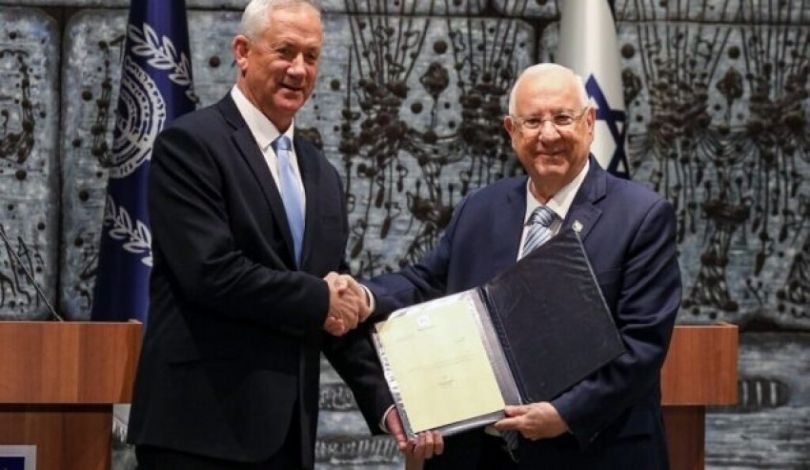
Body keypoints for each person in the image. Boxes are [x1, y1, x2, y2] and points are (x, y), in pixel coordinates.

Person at [358, 63, 682, 469]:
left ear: (589, 123)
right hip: (480, 456)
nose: (548, 134)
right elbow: (424, 283)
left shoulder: (641, 216)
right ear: (511, 131)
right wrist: (362, 296)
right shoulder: (481, 208)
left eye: (562, 118)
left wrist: (565, 413)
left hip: (594, 453)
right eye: (532, 121)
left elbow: (643, 345)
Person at [126, 0, 394, 468]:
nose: (299, 69)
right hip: (198, 435)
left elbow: (333, 304)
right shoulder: (190, 145)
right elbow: (212, 272)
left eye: (311, 56)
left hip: (289, 440)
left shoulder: (322, 174)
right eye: (285, 51)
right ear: (243, 51)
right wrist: (323, 298)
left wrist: (389, 405)